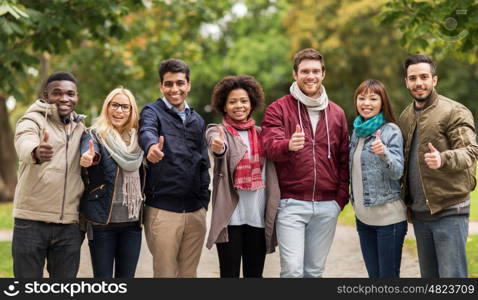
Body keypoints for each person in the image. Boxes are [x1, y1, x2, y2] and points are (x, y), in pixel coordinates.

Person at [261, 48, 349, 278]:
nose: (311, 76)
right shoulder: (278, 109)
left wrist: (339, 199)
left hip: (327, 205)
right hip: (291, 203)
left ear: (323, 74)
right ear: (295, 74)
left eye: (316, 71)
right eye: (305, 71)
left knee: (314, 271)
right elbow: (269, 146)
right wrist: (288, 145)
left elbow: (343, 159)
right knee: (292, 270)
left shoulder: (337, 114)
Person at [399, 54, 478, 278]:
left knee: (452, 278)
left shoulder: (454, 111)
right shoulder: (405, 117)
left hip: (449, 211)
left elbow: (470, 151)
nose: (418, 83)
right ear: (406, 82)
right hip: (421, 214)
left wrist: (443, 159)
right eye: (412, 78)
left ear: (435, 79)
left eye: (424, 77)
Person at [139, 58, 210, 278]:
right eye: (168, 84)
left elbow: (203, 163)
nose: (174, 89)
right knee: (165, 275)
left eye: (180, 83)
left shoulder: (197, 119)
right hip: (163, 211)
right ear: (161, 86)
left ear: (188, 85)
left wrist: (203, 203)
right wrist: (151, 147)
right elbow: (146, 131)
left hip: (195, 212)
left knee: (188, 275)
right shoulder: (152, 111)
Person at [205, 75, 280, 278]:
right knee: (228, 275)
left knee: (254, 276)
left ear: (252, 103)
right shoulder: (218, 131)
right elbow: (216, 144)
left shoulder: (263, 134)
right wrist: (218, 147)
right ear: (224, 106)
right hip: (231, 218)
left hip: (257, 215)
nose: (239, 105)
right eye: (233, 102)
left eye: (243, 101)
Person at [12, 71, 85, 278]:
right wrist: (35, 151)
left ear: (77, 97)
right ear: (46, 95)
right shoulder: (32, 120)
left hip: (68, 226)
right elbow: (24, 141)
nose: (64, 98)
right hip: (31, 222)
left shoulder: (80, 128)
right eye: (57, 93)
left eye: (70, 94)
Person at [79, 87, 144, 278]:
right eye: (114, 105)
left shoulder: (139, 140)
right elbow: (90, 152)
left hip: (132, 222)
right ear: (107, 107)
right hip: (102, 221)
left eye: (125, 107)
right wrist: (89, 157)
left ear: (132, 111)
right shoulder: (94, 134)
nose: (119, 111)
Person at [349, 79, 407, 278]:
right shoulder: (357, 132)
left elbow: (398, 172)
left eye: (373, 98)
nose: (366, 103)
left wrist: (384, 154)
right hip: (363, 219)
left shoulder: (391, 131)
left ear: (382, 102)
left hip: (389, 221)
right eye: (362, 98)